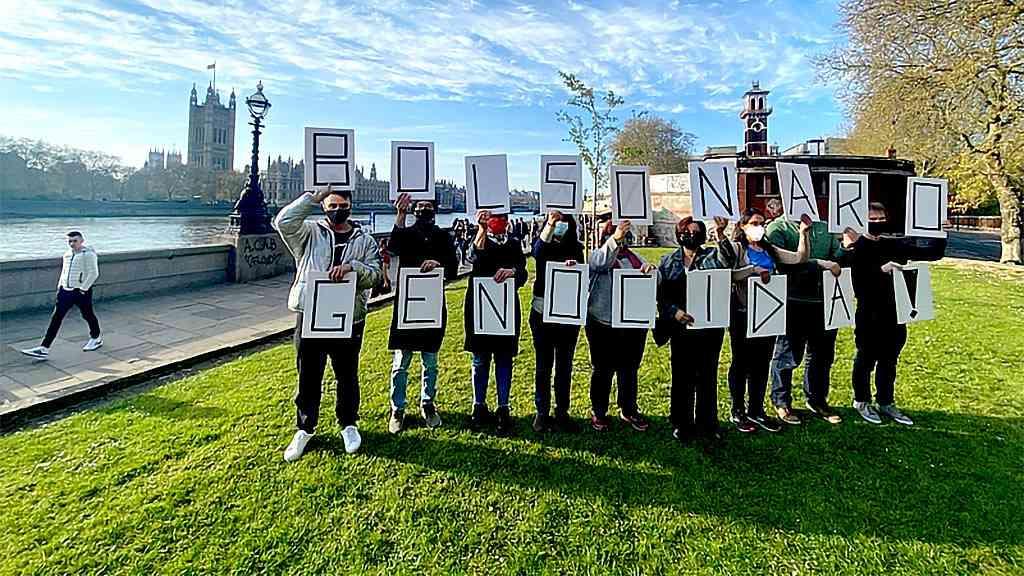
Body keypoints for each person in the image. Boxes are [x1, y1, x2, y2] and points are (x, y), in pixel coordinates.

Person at [274, 184, 382, 461]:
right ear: (323, 206)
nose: (337, 210)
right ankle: (305, 428)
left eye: (342, 206)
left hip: (350, 316)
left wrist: (352, 268)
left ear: (350, 206)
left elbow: (376, 275)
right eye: (332, 205)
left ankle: (348, 424)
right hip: (312, 313)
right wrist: (311, 198)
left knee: (347, 374)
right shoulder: (309, 233)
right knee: (308, 374)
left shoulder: (365, 240)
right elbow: (283, 222)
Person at [845, 202, 946, 426]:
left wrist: (939, 232)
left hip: (895, 312)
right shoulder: (857, 248)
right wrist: (881, 270)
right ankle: (861, 400)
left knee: (889, 360)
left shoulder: (893, 244)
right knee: (865, 358)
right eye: (873, 219)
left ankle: (886, 401)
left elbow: (932, 253)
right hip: (869, 313)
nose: (878, 223)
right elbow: (857, 284)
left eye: (881, 219)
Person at [654, 217, 743, 443]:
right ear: (679, 234)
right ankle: (681, 423)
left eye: (695, 232)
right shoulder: (667, 261)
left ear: (702, 236)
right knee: (681, 377)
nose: (690, 235)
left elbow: (729, 261)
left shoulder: (712, 256)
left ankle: (707, 423)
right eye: (686, 231)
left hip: (709, 329)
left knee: (707, 376)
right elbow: (660, 295)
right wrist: (674, 312)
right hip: (680, 329)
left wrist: (721, 234)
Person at [725, 210, 812, 434]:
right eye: (754, 223)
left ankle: (756, 408)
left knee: (761, 363)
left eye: (762, 223)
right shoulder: (738, 249)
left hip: (768, 313)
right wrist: (752, 270)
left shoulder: (769, 249)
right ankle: (737, 409)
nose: (759, 227)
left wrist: (803, 234)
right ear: (743, 226)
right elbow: (730, 274)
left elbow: (799, 258)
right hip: (743, 313)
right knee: (741, 362)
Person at [765, 211, 848, 425]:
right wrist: (819, 263)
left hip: (824, 300)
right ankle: (781, 401)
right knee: (787, 354)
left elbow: (837, 260)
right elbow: (782, 263)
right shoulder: (778, 228)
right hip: (793, 300)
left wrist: (846, 246)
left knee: (822, 355)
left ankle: (817, 400)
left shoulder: (824, 227)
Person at [386, 193, 459, 433]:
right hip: (407, 306)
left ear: (434, 210)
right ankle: (397, 408)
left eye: (428, 206)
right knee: (401, 363)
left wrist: (438, 264)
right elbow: (393, 247)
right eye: (420, 206)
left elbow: (453, 268)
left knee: (431, 363)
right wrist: (400, 214)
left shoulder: (443, 236)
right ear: (414, 210)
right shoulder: (406, 233)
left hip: (432, 306)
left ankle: (428, 403)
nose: (424, 209)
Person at [586, 216, 656, 432]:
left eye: (624, 236)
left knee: (629, 369)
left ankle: (628, 408)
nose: (622, 239)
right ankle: (599, 411)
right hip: (603, 323)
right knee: (603, 369)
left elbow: (656, 280)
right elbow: (600, 263)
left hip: (632, 324)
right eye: (618, 235)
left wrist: (651, 271)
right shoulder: (598, 254)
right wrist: (614, 239)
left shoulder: (635, 258)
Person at [464, 210, 528, 436]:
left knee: (504, 359)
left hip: (506, 309)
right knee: (480, 359)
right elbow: (472, 256)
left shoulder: (514, 243)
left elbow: (523, 273)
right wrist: (481, 228)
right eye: (494, 217)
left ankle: (503, 407)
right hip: (480, 307)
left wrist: (513, 272)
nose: (499, 221)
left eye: (503, 217)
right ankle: (478, 405)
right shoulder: (478, 238)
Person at [530, 210, 585, 433]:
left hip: (567, 315)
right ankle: (541, 412)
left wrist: (574, 267)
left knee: (564, 366)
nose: (560, 224)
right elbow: (537, 251)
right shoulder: (544, 243)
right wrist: (551, 224)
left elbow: (581, 273)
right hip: (542, 313)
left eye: (563, 221)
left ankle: (562, 411)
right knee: (543, 366)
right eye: (556, 221)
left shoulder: (576, 248)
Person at [21, 231, 102, 359]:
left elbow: (93, 273)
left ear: (82, 241)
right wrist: (60, 287)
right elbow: (64, 272)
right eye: (70, 241)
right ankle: (44, 348)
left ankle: (96, 338)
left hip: (81, 291)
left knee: (87, 315)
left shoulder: (88, 254)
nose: (72, 244)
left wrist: (83, 289)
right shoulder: (67, 255)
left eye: (75, 241)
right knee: (56, 318)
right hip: (65, 291)